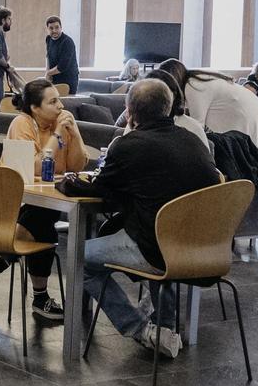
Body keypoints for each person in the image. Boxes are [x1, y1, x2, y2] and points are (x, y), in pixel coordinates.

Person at [60, 79, 221, 358]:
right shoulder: (193, 141)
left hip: (155, 249)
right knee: (159, 233)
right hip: (204, 249)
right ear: (169, 108)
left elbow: (101, 191)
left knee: (78, 256)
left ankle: (139, 328)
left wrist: (68, 183)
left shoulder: (129, 145)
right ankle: (165, 330)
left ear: (129, 111)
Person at [0, 79, 83, 319]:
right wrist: (57, 135)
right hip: (12, 198)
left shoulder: (64, 123)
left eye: (60, 100)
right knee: (45, 220)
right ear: (35, 108)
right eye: (53, 101)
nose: (60, 106)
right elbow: (35, 166)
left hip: (43, 201)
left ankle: (6, 258)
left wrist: (74, 135)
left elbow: (78, 165)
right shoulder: (22, 123)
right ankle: (39, 297)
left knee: (44, 217)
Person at [157, 59, 258, 153]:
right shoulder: (197, 78)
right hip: (250, 105)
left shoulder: (193, 86)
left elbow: (196, 126)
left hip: (244, 110)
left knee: (240, 152)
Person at [143, 68, 209, 152]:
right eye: (152, 95)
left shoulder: (192, 128)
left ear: (175, 95)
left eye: (164, 93)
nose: (159, 99)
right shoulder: (136, 125)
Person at [44, 16, 79, 95]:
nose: (54, 30)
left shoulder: (67, 42)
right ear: (47, 29)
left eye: (57, 27)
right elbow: (48, 56)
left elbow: (62, 66)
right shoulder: (48, 39)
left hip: (68, 80)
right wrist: (47, 72)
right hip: (55, 77)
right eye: (51, 28)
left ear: (61, 27)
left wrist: (48, 73)